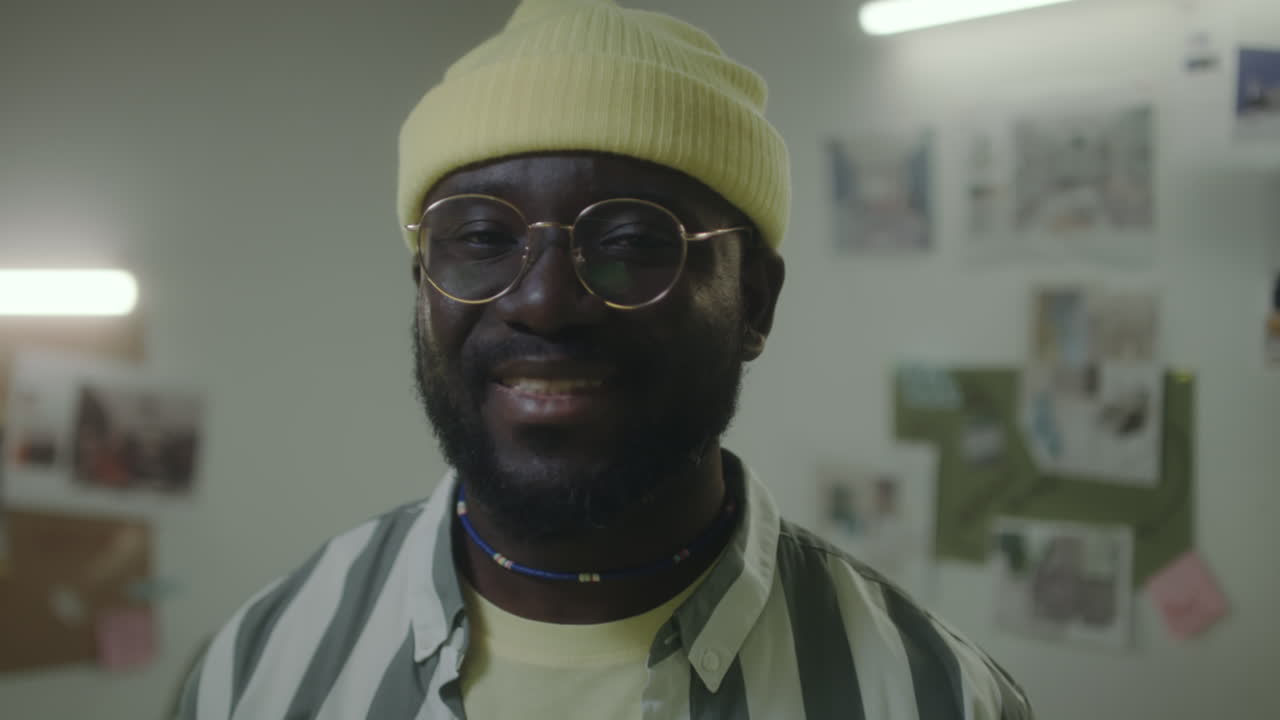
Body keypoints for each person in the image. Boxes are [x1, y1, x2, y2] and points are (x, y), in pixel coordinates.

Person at [176, 1, 1033, 718]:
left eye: (630, 242)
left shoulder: (935, 697)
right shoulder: (261, 667)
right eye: (480, 238)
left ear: (754, 303)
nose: (544, 302)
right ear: (424, 285)